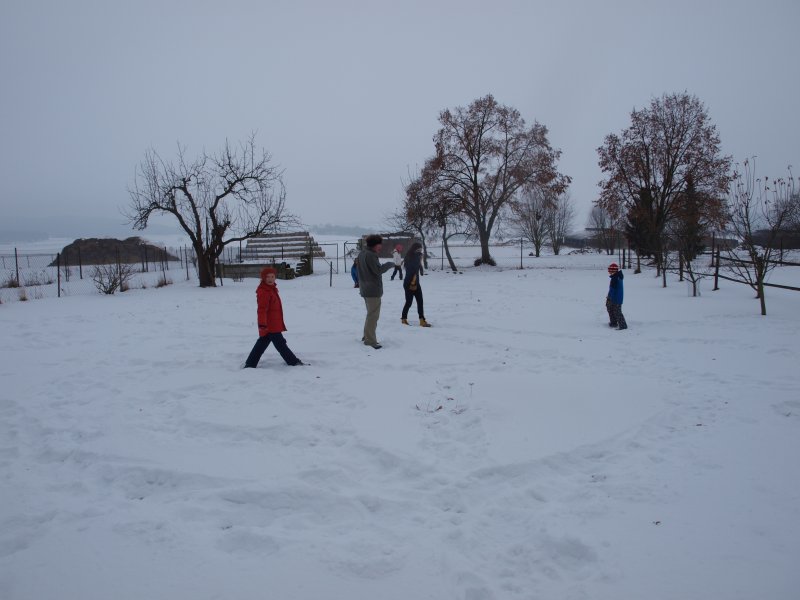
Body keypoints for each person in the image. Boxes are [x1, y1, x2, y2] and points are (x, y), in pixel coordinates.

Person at [244, 266, 304, 367]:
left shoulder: (271, 289)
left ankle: (250, 363)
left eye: (272, 276)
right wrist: (262, 325)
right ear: (263, 278)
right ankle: (293, 362)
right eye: (268, 277)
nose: (270, 279)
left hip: (273, 323)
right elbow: (261, 310)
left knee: (262, 343)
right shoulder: (265, 291)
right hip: (270, 325)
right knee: (280, 344)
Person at [356, 234, 395, 349]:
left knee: (370, 315)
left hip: (365, 289)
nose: (381, 247)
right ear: (374, 244)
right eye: (379, 245)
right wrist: (389, 264)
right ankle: (370, 340)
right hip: (372, 290)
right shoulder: (371, 255)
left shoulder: (362, 253)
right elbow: (378, 270)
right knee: (373, 316)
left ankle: (367, 336)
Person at [401, 242, 431, 327]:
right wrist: (418, 257)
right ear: (414, 249)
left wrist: (421, 269)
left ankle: (422, 320)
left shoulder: (416, 257)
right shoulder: (410, 257)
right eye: (418, 250)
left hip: (416, 283)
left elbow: (418, 266)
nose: (420, 251)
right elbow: (412, 268)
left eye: (421, 249)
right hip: (408, 283)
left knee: (420, 302)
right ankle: (403, 319)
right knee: (409, 302)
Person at [605, 262, 627, 330]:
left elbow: (612, 289)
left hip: (615, 298)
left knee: (617, 311)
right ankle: (613, 322)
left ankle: (623, 325)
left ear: (613, 271)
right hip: (617, 297)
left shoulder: (615, 278)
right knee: (611, 309)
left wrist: (609, 297)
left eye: (610, 270)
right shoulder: (618, 276)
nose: (609, 272)